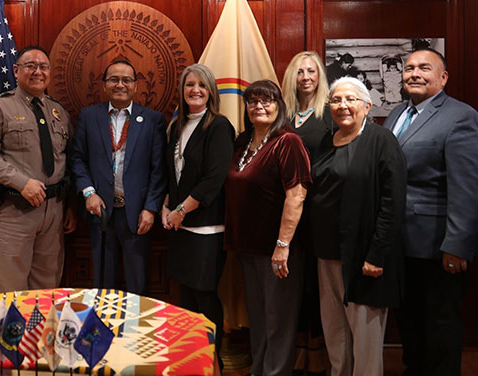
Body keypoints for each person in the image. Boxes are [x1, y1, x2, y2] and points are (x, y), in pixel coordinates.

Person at [384, 48, 478, 376]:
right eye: (409, 68)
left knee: (440, 327)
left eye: (424, 68)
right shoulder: (396, 114)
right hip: (398, 244)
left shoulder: (461, 116)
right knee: (409, 323)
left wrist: (456, 244)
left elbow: (468, 188)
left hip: (437, 247)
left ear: (443, 78)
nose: (414, 73)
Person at [310, 77, 406, 376]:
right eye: (336, 100)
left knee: (365, 339)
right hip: (328, 254)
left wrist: (377, 254)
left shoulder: (381, 141)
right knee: (335, 332)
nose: (343, 106)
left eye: (351, 99)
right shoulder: (329, 139)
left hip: (364, 256)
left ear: (367, 106)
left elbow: (393, 202)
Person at [0, 46, 76, 293]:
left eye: (43, 67)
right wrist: (20, 182)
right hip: (14, 209)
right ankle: (12, 334)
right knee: (11, 290)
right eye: (31, 66)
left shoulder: (58, 111)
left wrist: (70, 205)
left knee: (47, 286)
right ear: (16, 71)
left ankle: (39, 333)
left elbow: (69, 160)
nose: (38, 72)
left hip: (54, 212)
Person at [226, 79, 311, 376]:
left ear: (279, 106)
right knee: (260, 318)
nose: (259, 106)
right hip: (248, 247)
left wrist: (282, 245)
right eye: (252, 101)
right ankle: (259, 369)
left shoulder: (288, 142)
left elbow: (296, 196)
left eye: (267, 100)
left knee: (279, 319)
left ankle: (276, 372)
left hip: (277, 249)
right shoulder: (243, 142)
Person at [160, 64, 234, 369]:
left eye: (202, 86)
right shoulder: (176, 126)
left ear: (211, 91)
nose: (195, 90)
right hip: (179, 227)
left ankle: (211, 360)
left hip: (206, 227)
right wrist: (167, 206)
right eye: (190, 85)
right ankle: (190, 360)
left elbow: (213, 180)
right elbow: (172, 174)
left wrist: (180, 211)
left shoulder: (218, 126)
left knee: (205, 295)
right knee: (186, 296)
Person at [71, 60, 166, 294]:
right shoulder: (89, 116)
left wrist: (151, 209)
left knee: (137, 283)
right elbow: (77, 159)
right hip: (100, 212)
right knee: (103, 282)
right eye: (114, 79)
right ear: (104, 85)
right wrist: (88, 192)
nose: (120, 84)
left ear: (135, 85)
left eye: (126, 80)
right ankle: (102, 328)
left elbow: (159, 169)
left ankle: (135, 330)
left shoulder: (153, 120)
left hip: (137, 215)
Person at [281, 51, 332, 376]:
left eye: (311, 71)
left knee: (316, 287)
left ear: (319, 76)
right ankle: (295, 354)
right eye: (299, 72)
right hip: (285, 212)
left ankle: (317, 356)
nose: (306, 77)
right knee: (290, 285)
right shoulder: (284, 114)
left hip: (318, 212)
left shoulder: (329, 112)